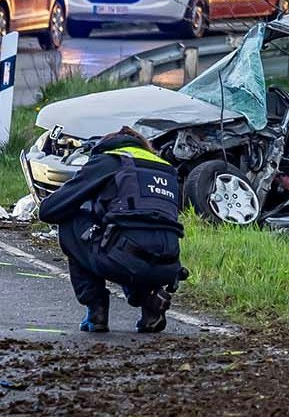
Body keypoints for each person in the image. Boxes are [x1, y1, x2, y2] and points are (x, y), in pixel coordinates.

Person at [36, 128, 186, 333]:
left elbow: (49, 210)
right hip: (169, 267)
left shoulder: (109, 161)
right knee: (136, 232)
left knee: (71, 220)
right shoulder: (167, 169)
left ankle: (96, 308)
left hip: (125, 260)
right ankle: (150, 302)